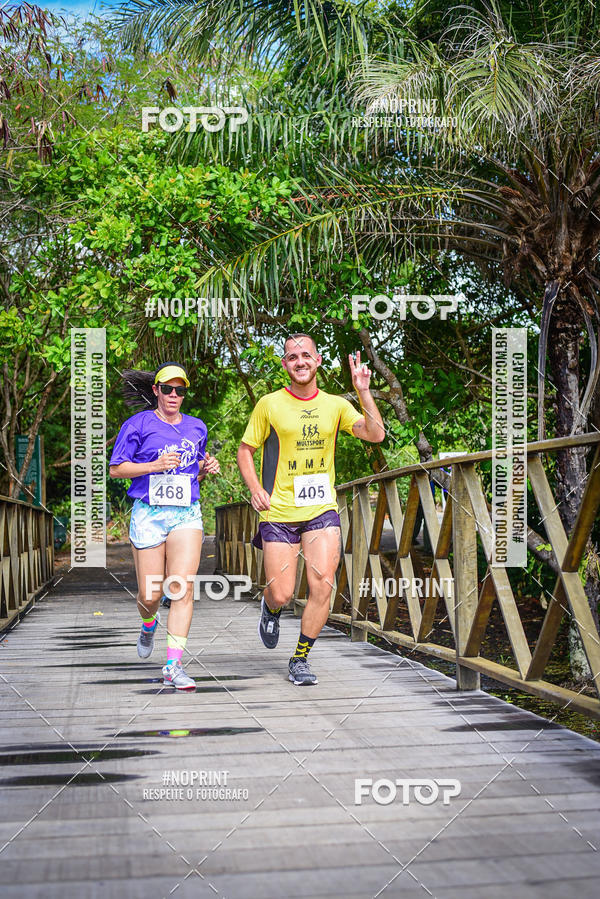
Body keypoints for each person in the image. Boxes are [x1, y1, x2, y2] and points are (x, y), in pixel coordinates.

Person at [236, 334, 385, 686]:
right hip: (279, 511)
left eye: (306, 355)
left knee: (323, 583)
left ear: (317, 361)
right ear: (285, 365)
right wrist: (256, 489)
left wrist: (363, 391)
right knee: (283, 592)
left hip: (320, 508)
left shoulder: (336, 405)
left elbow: (375, 435)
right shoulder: (269, 404)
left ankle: (300, 658)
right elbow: (245, 451)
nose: (300, 361)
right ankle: (271, 608)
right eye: (292, 357)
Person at [109, 361, 220, 690]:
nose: (174, 394)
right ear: (156, 390)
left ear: (184, 394)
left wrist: (206, 467)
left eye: (180, 390)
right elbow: (117, 469)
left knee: (181, 588)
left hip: (186, 513)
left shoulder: (197, 427)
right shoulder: (137, 424)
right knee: (150, 594)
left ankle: (173, 665)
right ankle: (147, 623)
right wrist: (154, 464)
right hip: (149, 512)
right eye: (167, 388)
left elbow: (193, 471)